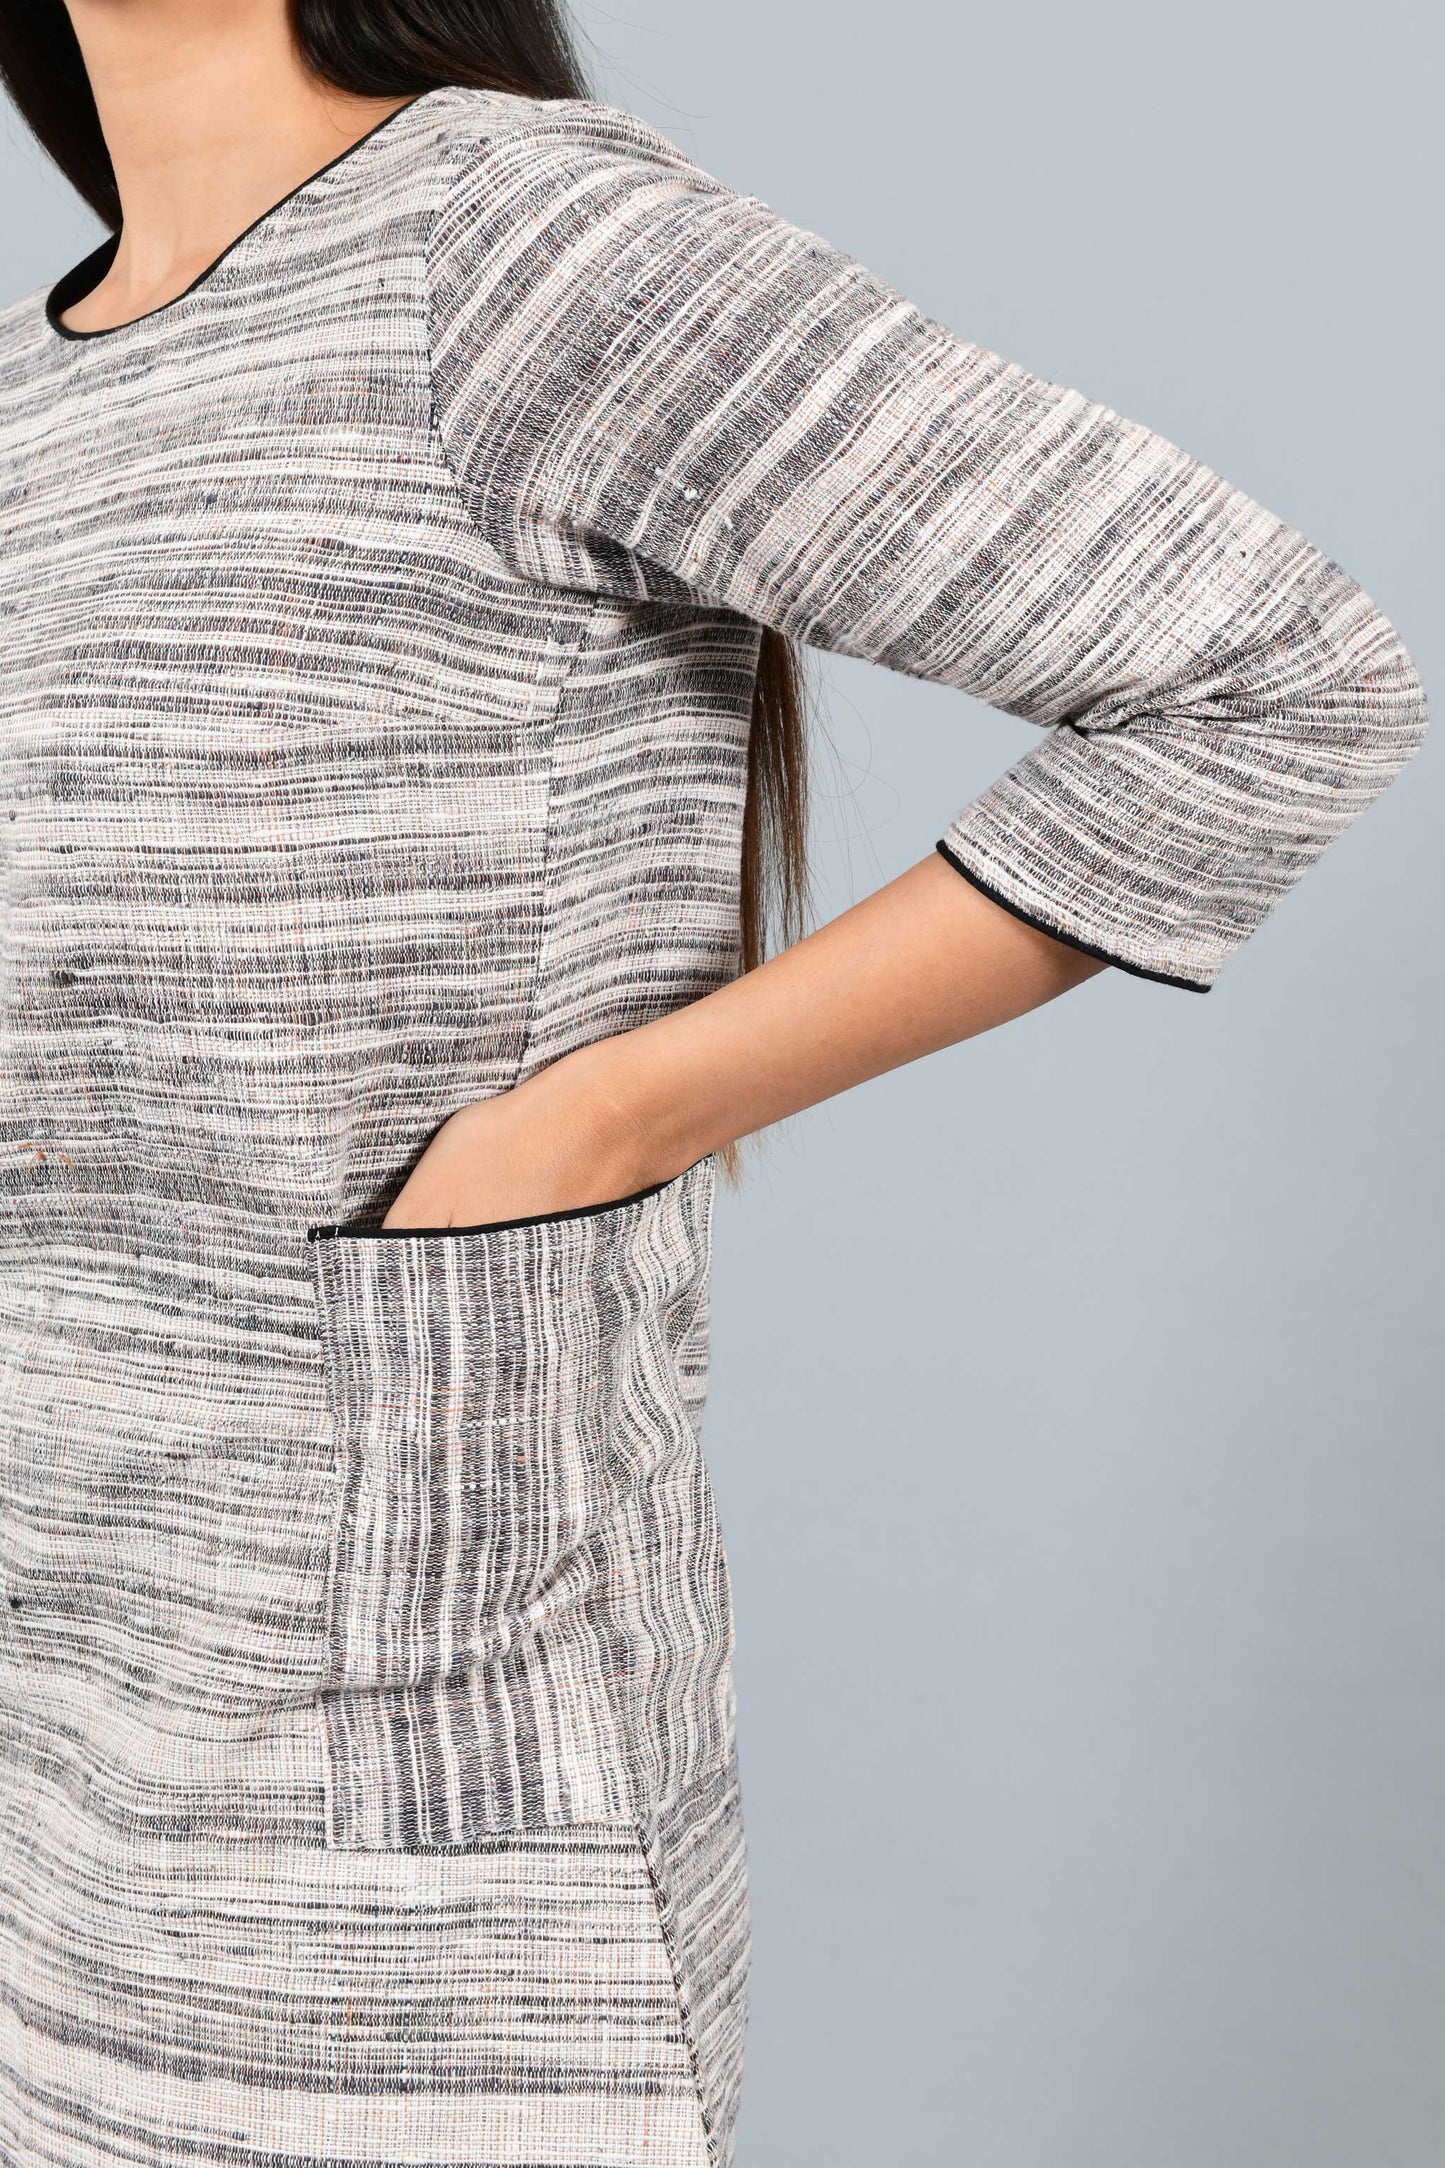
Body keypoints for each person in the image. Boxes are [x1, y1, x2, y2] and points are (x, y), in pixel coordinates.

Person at [0, 1, 1428, 2162]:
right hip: (56, 1803)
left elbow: (1272, 678)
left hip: (429, 1844)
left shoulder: (516, 250)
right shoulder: (36, 406)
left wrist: (600, 1122)